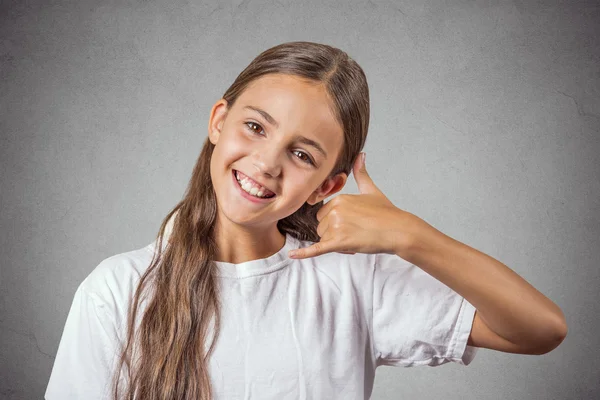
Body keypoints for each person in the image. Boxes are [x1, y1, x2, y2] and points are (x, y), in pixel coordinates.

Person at [45, 41, 567, 400]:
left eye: (302, 155)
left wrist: (410, 235)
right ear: (218, 122)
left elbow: (540, 329)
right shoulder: (116, 291)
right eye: (254, 127)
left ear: (327, 186)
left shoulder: (350, 280)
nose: (267, 163)